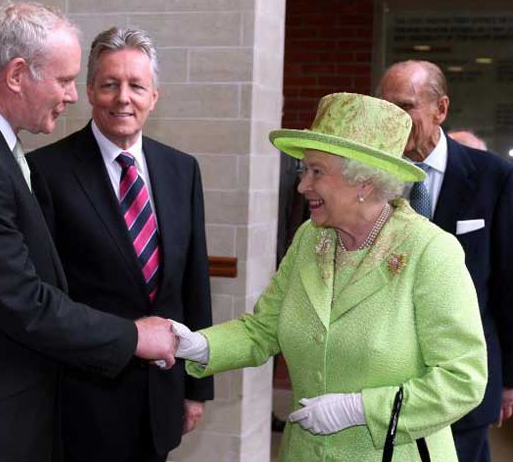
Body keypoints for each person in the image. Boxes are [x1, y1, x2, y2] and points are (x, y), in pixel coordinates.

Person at [0, 3, 177, 462]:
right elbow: (22, 299)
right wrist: (134, 337)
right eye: (65, 81)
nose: (71, 97)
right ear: (17, 74)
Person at [171, 92, 488, 462]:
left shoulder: (430, 250)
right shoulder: (311, 238)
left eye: (316, 172)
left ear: (364, 183)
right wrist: (199, 345)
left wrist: (359, 409)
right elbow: (263, 329)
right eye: (304, 170)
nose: (303, 185)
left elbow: (463, 378)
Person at [28, 27, 214, 462]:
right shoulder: (46, 172)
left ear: (155, 95)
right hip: (82, 400)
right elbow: (45, 294)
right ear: (90, 90)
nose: (122, 98)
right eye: (110, 84)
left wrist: (196, 388)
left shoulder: (182, 170)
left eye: (136, 85)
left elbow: (193, 285)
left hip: (161, 395)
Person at [378, 60, 513, 462]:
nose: (393, 120)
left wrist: (509, 380)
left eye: (405, 107)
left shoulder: (494, 177)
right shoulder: (368, 176)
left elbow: (508, 282)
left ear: (441, 109)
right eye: (385, 107)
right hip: (384, 381)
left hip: (463, 382)